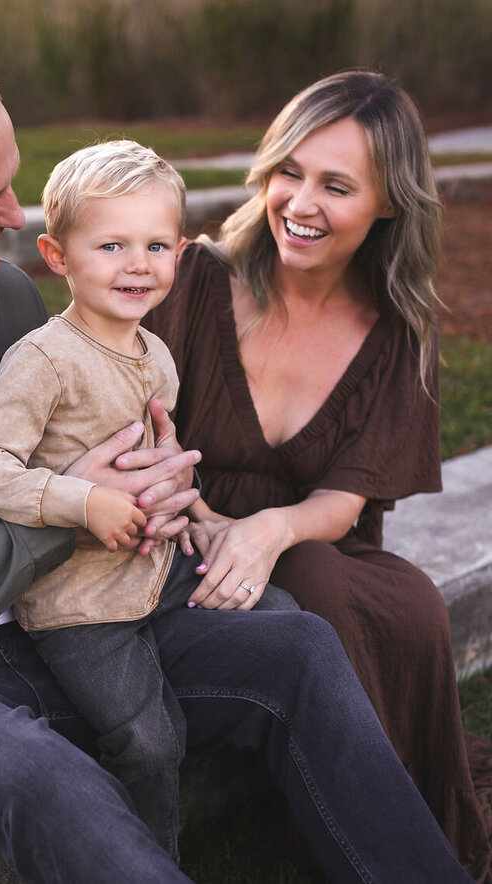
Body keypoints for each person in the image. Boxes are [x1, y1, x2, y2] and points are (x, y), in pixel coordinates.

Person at [0, 38, 471, 883]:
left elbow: (98, 439)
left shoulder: (2, 291)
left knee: (301, 651)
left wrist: (164, 489)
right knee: (48, 781)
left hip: (62, 619)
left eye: (11, 182)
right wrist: (78, 514)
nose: (16, 217)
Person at [144, 69, 492, 881]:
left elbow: (345, 499)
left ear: (390, 204)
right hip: (171, 546)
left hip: (317, 552)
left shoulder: (395, 333)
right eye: (288, 173)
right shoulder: (192, 281)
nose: (299, 203)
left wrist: (271, 528)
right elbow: (128, 419)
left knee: (359, 590)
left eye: (335, 185)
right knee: (315, 583)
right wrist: (195, 509)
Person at [0, 140, 291, 860]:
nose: (138, 264)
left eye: (156, 245)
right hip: (80, 602)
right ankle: (146, 861)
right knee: (148, 738)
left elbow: (157, 457)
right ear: (57, 255)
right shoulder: (45, 360)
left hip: (155, 569)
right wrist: (81, 501)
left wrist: (197, 514)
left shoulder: (154, 354)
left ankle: (267, 776)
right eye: (112, 244)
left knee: (283, 618)